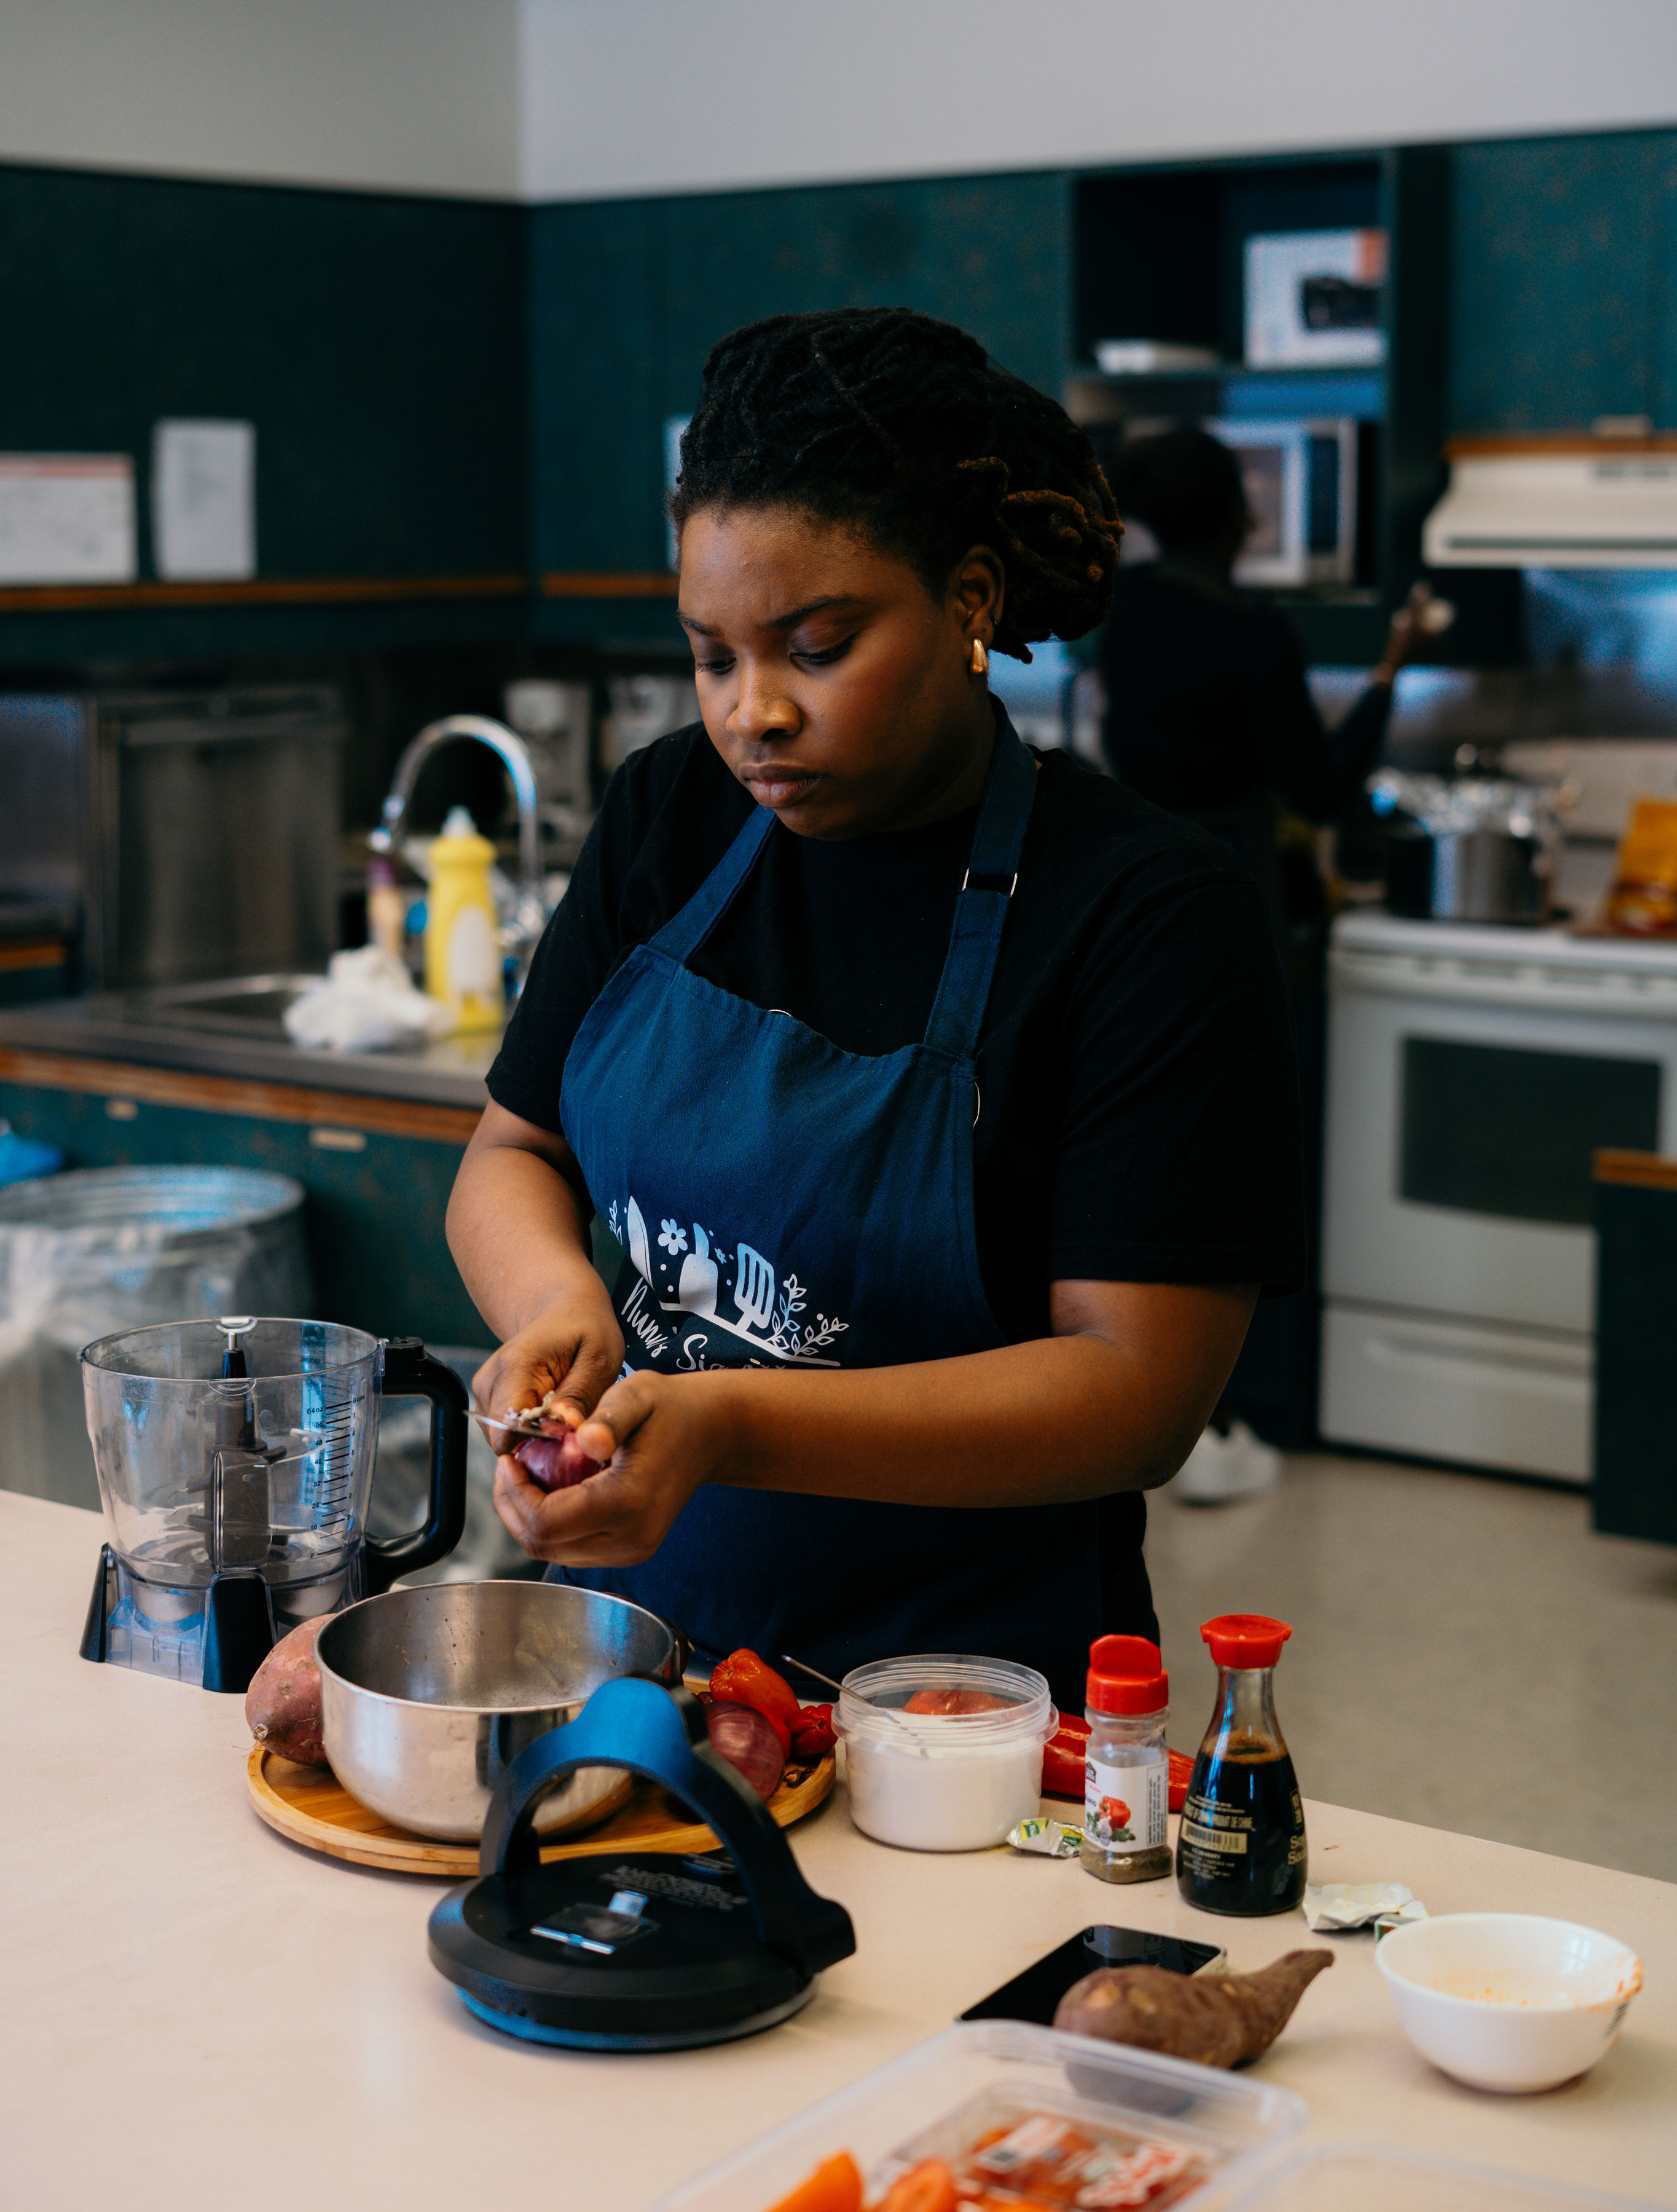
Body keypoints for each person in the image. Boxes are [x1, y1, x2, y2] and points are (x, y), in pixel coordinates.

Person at [446, 308, 1303, 1708]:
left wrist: (721, 1422)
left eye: (816, 645)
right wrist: (555, 1304)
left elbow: (1137, 1390)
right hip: (633, 1668)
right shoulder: (670, 812)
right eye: (712, 656)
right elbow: (513, 1151)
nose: (751, 714)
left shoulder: (1146, 911)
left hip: (968, 1708)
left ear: (968, 602)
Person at [1097, 426, 1435, 922]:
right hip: (1231, 880)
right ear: (1239, 517)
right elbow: (1320, 792)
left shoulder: (1121, 611)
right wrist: (1390, 669)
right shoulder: (1253, 634)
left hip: (1138, 876)